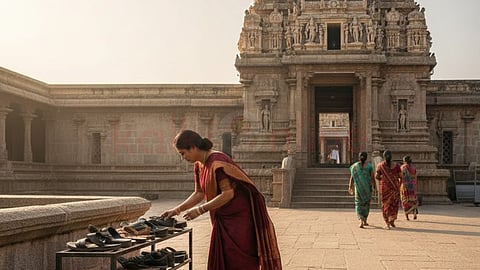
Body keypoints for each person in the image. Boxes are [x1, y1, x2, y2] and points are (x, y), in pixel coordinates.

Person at [161, 130, 282, 270]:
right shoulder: (199, 165)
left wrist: (200, 210)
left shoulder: (217, 163)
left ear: (193, 147)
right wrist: (176, 210)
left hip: (238, 221)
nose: (183, 157)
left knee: (239, 263)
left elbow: (228, 193)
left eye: (183, 153)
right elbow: (199, 193)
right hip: (222, 219)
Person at [348, 152, 376, 228]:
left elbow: (352, 178)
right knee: (365, 204)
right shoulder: (368, 166)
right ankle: (363, 220)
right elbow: (373, 178)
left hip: (359, 189)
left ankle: (362, 220)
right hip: (366, 189)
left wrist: (350, 187)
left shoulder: (355, 167)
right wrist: (375, 187)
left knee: (359, 204)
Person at [375, 149, 401, 229]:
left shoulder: (380, 166)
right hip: (395, 188)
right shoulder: (396, 165)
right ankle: (392, 220)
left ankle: (387, 222)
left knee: (385, 205)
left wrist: (383, 178)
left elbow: (376, 176)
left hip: (385, 188)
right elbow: (401, 176)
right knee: (394, 204)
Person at [400, 155, 418, 220]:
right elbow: (415, 177)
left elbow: (401, 177)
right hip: (413, 185)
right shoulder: (413, 168)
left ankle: (407, 216)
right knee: (413, 200)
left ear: (404, 161)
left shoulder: (402, 167)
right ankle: (414, 213)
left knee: (405, 201)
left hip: (405, 186)